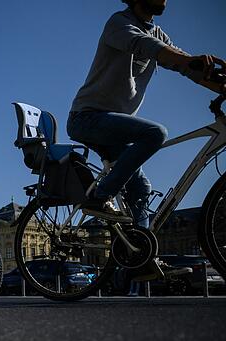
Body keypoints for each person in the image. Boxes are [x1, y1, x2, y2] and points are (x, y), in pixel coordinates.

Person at [67, 0, 224, 279]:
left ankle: (139, 260)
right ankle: (99, 196)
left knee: (140, 187)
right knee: (155, 133)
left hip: (113, 127)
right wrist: (188, 61)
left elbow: (185, 65)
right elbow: (149, 48)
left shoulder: (158, 33)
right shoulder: (119, 23)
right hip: (88, 118)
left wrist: (218, 82)